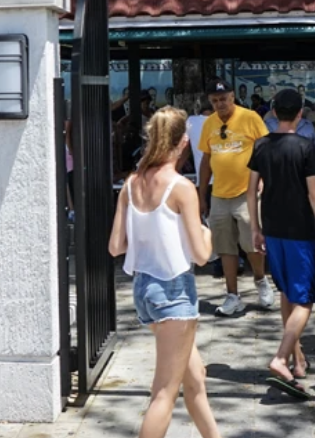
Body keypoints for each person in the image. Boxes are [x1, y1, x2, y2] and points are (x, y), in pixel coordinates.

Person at [108, 107, 222, 438]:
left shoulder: (131, 184)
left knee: (195, 376)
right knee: (164, 394)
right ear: (184, 140)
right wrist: (209, 233)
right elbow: (202, 255)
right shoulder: (181, 187)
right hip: (174, 291)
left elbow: (116, 246)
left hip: (145, 289)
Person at [247, 88, 315, 398]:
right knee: (305, 298)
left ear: (271, 111)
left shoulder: (261, 145)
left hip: (272, 228)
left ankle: (297, 359)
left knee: (286, 293)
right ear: (300, 114)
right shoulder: (306, 147)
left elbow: (251, 189)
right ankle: (282, 357)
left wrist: (255, 227)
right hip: (300, 230)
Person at [198, 79, 276, 316]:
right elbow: (205, 161)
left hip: (247, 193)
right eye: (214, 101)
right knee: (225, 248)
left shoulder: (250, 117)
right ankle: (233, 295)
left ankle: (261, 281)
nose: (219, 104)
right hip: (220, 194)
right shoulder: (209, 123)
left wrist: (263, 179)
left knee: (253, 242)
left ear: (232, 97)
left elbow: (266, 150)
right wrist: (202, 195)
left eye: (223, 99)